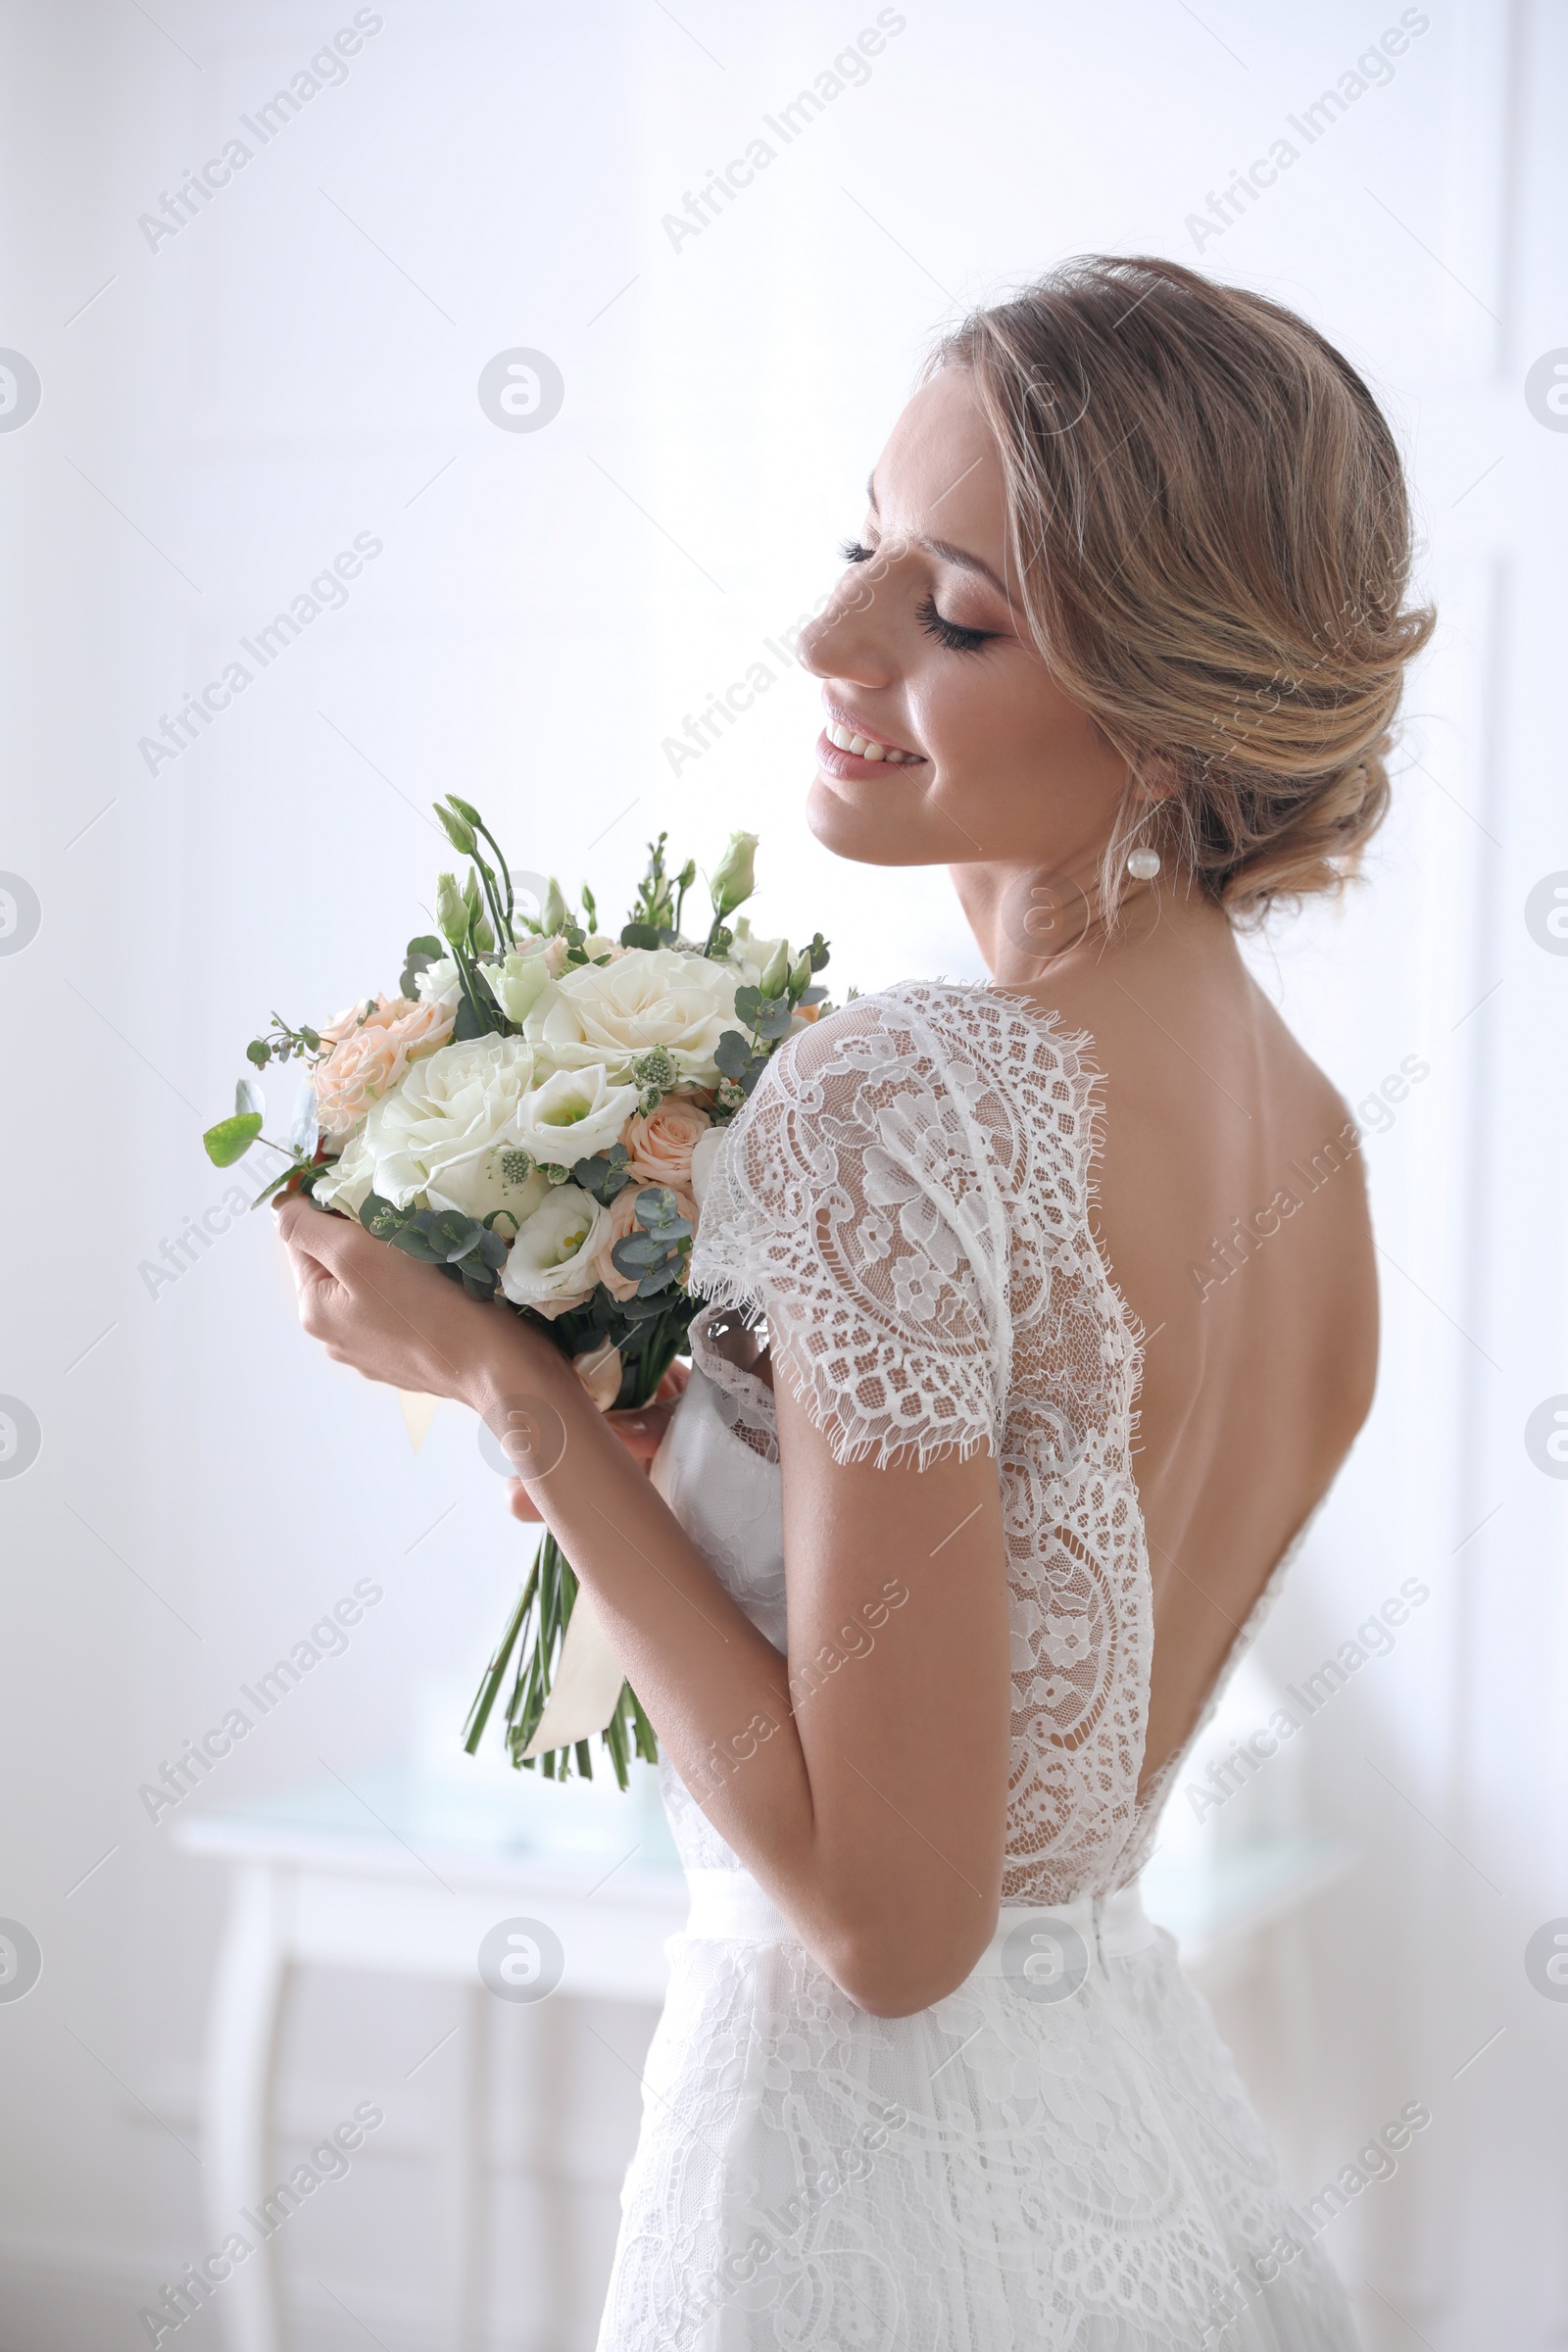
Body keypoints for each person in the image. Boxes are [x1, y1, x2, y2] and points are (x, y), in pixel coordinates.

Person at [278, 255, 1433, 2349]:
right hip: (1127, 2147)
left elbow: (888, 1926)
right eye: (856, 550)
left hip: (868, 2190)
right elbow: (1028, 1762)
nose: (823, 640)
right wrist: (690, 1464)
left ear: (1175, 707)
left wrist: (505, 1386)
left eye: (953, 612)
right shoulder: (1315, 1139)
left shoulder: (896, 1089)